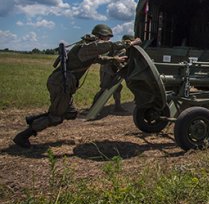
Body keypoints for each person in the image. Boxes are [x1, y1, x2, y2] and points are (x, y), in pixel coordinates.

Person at [13, 24, 141, 148]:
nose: (108, 40)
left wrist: (114, 59)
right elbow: (110, 46)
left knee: (70, 113)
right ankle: (23, 136)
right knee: (56, 117)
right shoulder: (88, 47)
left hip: (63, 82)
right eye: (107, 38)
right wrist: (132, 43)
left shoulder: (86, 47)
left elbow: (98, 59)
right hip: (61, 83)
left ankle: (33, 120)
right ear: (101, 36)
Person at [92, 34, 135, 112]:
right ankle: (92, 109)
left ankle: (117, 107)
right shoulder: (122, 49)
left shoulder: (121, 47)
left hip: (111, 70)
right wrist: (123, 69)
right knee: (104, 89)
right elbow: (116, 61)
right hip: (107, 70)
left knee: (117, 88)